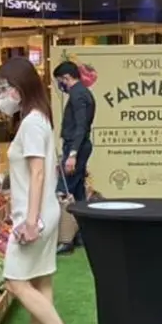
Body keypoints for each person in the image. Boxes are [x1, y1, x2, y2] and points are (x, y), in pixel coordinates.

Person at [0, 57, 84, 324]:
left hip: (34, 216)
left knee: (15, 281)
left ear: (21, 87)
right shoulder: (39, 118)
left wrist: (29, 221)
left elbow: (37, 174)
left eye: (5, 87)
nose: (1, 94)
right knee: (40, 277)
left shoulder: (31, 123)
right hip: (45, 211)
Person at [52, 60, 95, 254]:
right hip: (77, 146)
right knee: (77, 194)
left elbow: (81, 127)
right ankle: (82, 236)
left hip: (76, 147)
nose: (60, 85)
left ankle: (65, 239)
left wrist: (72, 155)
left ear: (66, 78)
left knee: (63, 191)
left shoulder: (78, 96)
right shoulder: (82, 94)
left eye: (60, 80)